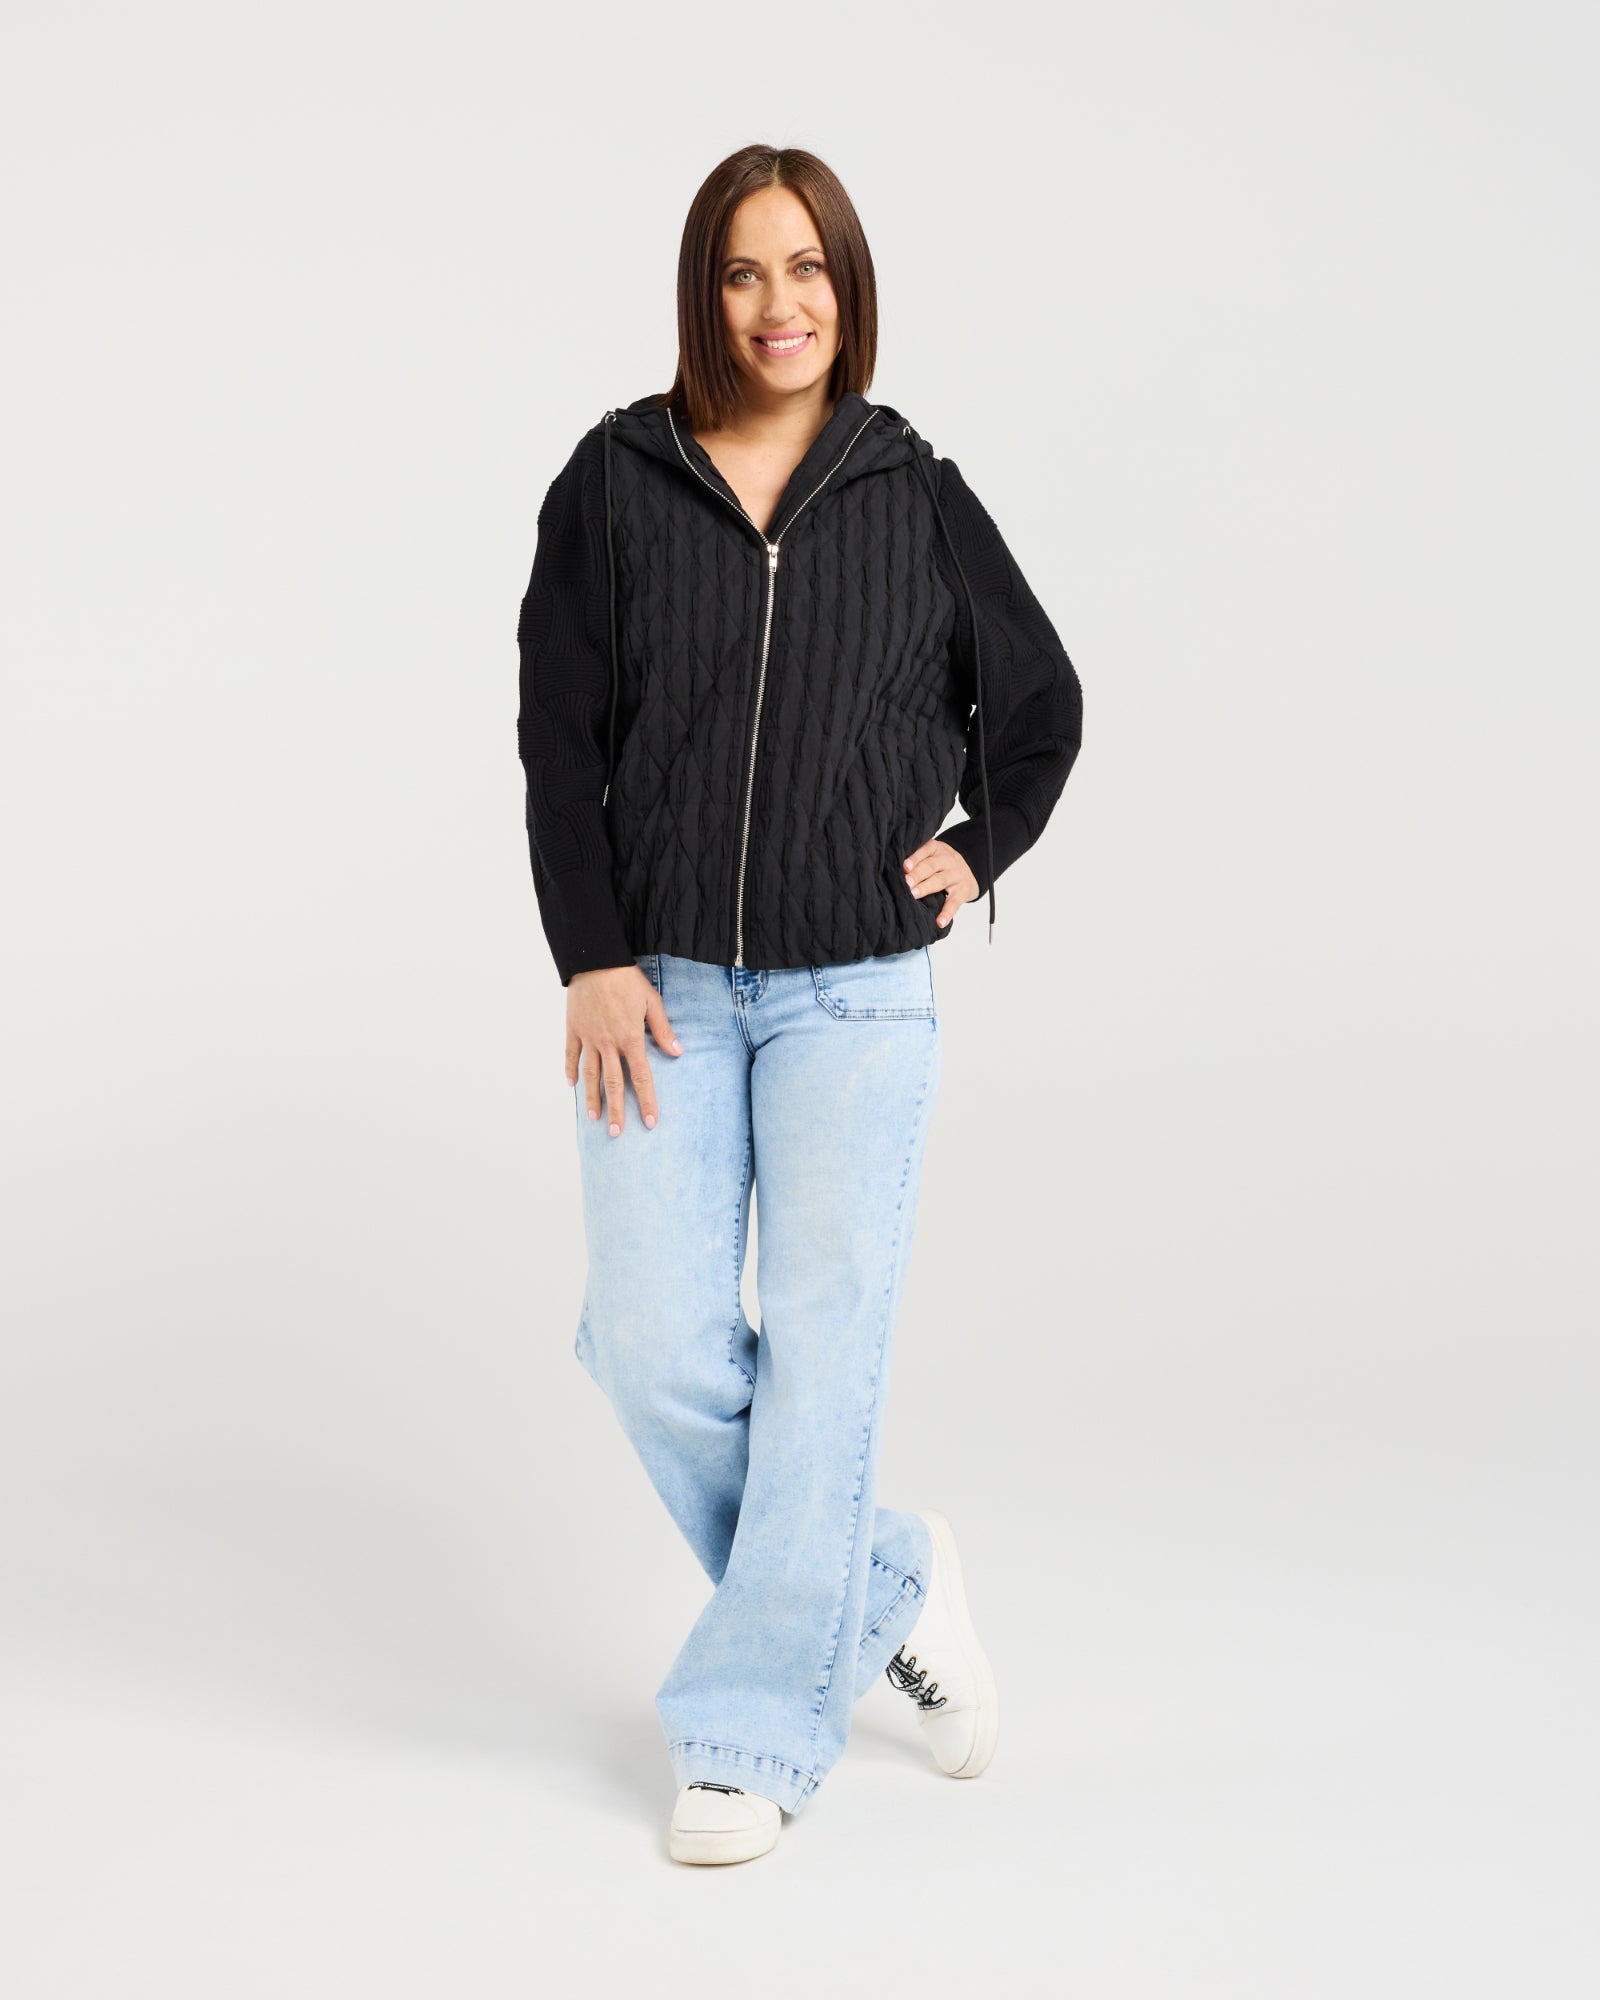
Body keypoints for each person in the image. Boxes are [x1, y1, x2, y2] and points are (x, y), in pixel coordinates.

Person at [515, 144, 1083, 1866]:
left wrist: (979, 848)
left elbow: (1042, 705)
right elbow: (557, 737)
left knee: (827, 1355)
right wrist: (591, 953)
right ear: (707, 292)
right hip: (662, 987)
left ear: (850, 287)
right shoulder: (616, 481)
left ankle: (753, 1734)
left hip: (856, 997)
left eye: (810, 268)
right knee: (651, 1342)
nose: (781, 305)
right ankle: (890, 1581)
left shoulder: (913, 490)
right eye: (746, 271)